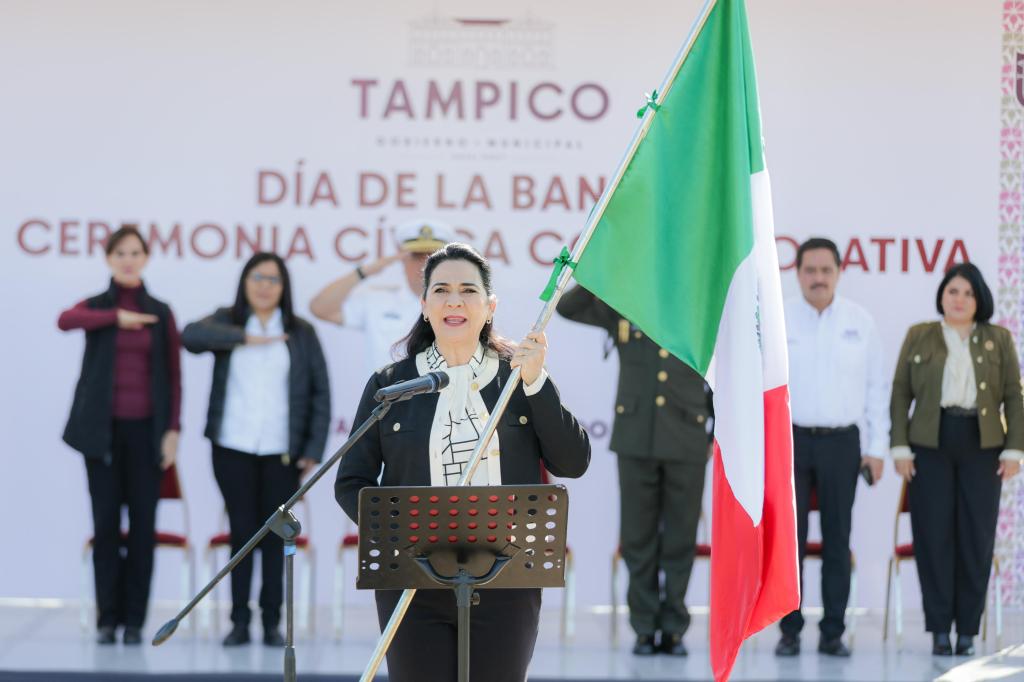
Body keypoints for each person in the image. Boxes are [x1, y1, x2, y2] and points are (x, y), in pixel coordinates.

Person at [335, 242, 590, 682]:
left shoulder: (518, 375)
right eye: (442, 290)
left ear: (489, 306)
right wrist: (398, 532)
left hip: (506, 578)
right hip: (413, 580)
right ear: (425, 305)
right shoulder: (392, 384)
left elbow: (573, 461)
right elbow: (351, 480)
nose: (455, 300)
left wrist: (536, 382)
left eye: (468, 290)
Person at [182, 252, 331, 647]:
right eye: (257, 277)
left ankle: (270, 623)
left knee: (273, 538)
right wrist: (243, 338)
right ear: (244, 282)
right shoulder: (227, 321)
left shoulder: (301, 332)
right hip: (232, 447)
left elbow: (320, 392)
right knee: (241, 534)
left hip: (283, 452)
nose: (264, 285)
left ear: (284, 287)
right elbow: (190, 337)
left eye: (273, 279)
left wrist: (313, 448)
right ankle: (239, 622)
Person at [555, 284, 711, 656]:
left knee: (679, 539)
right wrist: (603, 270)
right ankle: (644, 627)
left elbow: (725, 376)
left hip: (687, 438)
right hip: (636, 439)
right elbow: (568, 307)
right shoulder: (627, 302)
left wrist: (715, 433)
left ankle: (673, 627)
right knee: (638, 539)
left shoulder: (702, 311)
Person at [890, 262, 1023, 657]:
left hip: (983, 447)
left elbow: (1014, 397)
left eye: (967, 293)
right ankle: (939, 631)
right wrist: (900, 447)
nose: (959, 299)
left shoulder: (997, 338)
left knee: (976, 539)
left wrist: (1015, 448)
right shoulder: (920, 335)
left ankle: (967, 629)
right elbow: (900, 393)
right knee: (932, 538)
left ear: (979, 298)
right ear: (942, 296)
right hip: (929, 445)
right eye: (953, 291)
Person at [58, 225, 182, 645]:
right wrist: (116, 318)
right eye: (120, 253)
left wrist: (172, 432)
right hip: (101, 435)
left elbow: (174, 378)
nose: (128, 259)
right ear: (109, 258)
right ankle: (107, 619)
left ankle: (134, 621)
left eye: (135, 252)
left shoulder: (161, 311)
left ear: (146, 258)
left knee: (143, 528)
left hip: (147, 434)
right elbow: (64, 320)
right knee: (106, 524)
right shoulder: (97, 306)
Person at [774, 237, 889, 658]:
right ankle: (789, 630)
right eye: (810, 270)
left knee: (838, 540)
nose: (818, 278)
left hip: (844, 443)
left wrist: (877, 449)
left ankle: (833, 632)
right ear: (797, 272)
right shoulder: (778, 318)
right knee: (791, 543)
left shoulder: (860, 321)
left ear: (839, 272)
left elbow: (878, 389)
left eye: (826, 270)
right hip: (792, 442)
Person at [309, 219, 454, 373]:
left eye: (432, 257)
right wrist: (364, 271)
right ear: (402, 259)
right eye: (416, 256)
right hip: (386, 396)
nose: (424, 264)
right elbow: (320, 308)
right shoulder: (378, 300)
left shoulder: (461, 305)